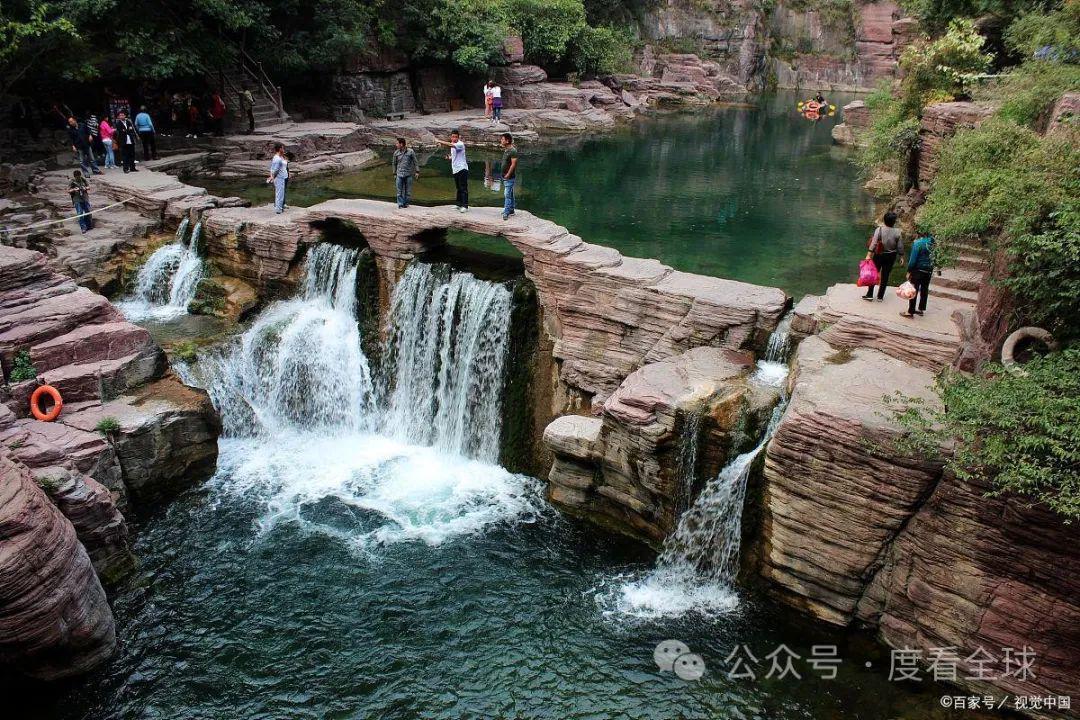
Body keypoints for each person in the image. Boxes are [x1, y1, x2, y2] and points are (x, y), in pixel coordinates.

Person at [862, 211, 903, 302]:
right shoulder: (898, 232)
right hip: (891, 256)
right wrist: (901, 256)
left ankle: (870, 294)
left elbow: (874, 243)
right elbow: (900, 246)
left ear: (884, 220)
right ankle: (880, 296)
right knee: (885, 275)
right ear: (894, 222)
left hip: (879, 255)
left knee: (874, 274)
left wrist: (869, 254)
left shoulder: (879, 230)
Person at [901, 234, 935, 318]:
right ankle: (921, 309)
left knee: (913, 290)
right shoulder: (933, 243)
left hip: (918, 270)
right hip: (928, 270)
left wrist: (909, 271)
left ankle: (910, 311)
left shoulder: (918, 243)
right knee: (924, 289)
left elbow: (913, 260)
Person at [434, 130, 469, 212]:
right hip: (456, 169)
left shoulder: (460, 144)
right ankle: (458, 204)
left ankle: (465, 206)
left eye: (456, 137)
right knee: (458, 188)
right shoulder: (453, 146)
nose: (454, 138)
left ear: (458, 137)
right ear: (451, 137)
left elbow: (450, 144)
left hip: (462, 168)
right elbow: (455, 155)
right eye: (453, 137)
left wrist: (439, 141)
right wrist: (449, 157)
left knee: (463, 188)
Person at [392, 137, 420, 208]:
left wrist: (417, 171)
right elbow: (394, 164)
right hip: (399, 174)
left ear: (401, 144)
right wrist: (394, 173)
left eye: (397, 143)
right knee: (399, 192)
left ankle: (406, 204)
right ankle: (400, 204)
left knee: (408, 192)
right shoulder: (396, 153)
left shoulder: (410, 152)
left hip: (408, 174)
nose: (396, 145)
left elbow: (415, 162)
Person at [499, 132, 518, 221]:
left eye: (502, 139)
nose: (501, 140)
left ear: (507, 141)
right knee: (510, 193)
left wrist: (508, 174)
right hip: (505, 175)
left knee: (507, 194)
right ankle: (511, 209)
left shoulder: (513, 151)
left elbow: (513, 164)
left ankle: (506, 212)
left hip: (509, 177)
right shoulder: (506, 149)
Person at [268, 143, 289, 214]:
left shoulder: (279, 157)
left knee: (280, 193)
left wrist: (271, 176)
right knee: (279, 194)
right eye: (283, 148)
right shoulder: (277, 159)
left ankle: (279, 207)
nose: (284, 149)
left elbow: (272, 168)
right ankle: (278, 209)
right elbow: (275, 170)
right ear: (280, 149)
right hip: (279, 178)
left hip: (282, 177)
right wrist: (272, 177)